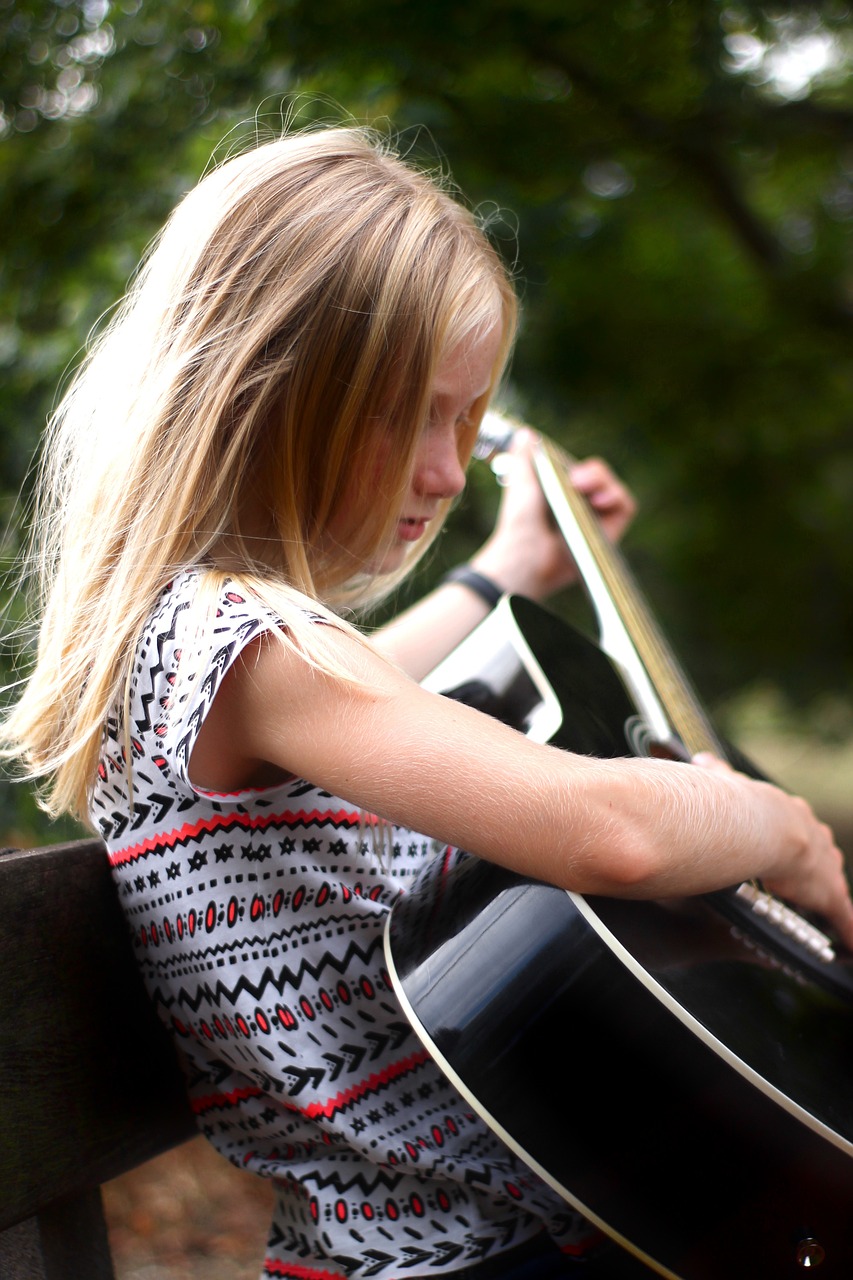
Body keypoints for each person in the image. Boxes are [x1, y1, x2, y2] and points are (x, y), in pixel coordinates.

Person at [3, 123, 853, 1280]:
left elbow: (370, 686)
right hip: (470, 1256)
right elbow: (615, 826)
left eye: (467, 418)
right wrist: (784, 830)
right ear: (266, 390)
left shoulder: (203, 643)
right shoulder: (248, 646)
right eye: (415, 415)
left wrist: (501, 572)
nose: (450, 471)